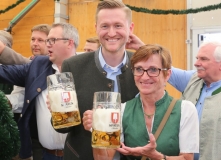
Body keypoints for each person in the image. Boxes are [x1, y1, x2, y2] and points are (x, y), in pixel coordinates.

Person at [126, 36, 221, 160]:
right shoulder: (192, 79)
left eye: (203, 59)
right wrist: (142, 48)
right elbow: (161, 70)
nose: (196, 63)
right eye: (197, 58)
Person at [51, 0, 139, 159]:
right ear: (96, 28)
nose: (111, 33)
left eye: (118, 25)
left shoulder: (141, 66)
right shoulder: (73, 65)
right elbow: (63, 128)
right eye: (105, 26)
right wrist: (58, 114)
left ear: (130, 28)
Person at [83, 44, 199, 160]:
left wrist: (158, 157)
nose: (144, 77)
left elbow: (187, 158)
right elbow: (104, 159)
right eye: (139, 69)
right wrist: (97, 129)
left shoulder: (185, 109)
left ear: (167, 74)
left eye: (153, 70)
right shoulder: (122, 110)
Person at [0, 22, 78, 160]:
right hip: (46, 155)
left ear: (69, 43)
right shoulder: (39, 65)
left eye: (52, 40)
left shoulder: (87, 69)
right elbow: (6, 72)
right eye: (47, 40)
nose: (48, 44)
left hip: (77, 155)